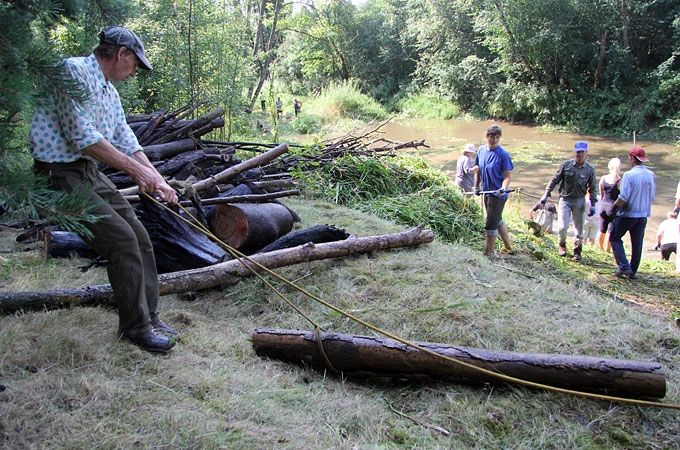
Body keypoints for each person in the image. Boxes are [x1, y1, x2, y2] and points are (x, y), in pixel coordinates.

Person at [29, 26, 178, 352]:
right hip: (58, 174)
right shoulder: (71, 73)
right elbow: (84, 139)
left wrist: (158, 179)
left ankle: (151, 316)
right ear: (121, 53)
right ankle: (135, 329)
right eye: (135, 63)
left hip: (86, 170)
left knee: (139, 235)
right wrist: (137, 172)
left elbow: (125, 138)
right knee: (121, 241)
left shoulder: (109, 92)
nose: (135, 71)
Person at [603, 147, 656, 279]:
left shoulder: (629, 175)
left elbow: (623, 198)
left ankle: (624, 267)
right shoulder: (651, 175)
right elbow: (652, 196)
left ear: (632, 159)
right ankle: (632, 271)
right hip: (643, 214)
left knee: (614, 237)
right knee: (637, 244)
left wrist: (613, 208)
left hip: (628, 214)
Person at [539, 141, 597, 262]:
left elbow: (593, 188)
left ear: (586, 153)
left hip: (580, 201)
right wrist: (546, 193)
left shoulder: (590, 169)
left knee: (579, 228)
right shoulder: (566, 165)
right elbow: (555, 180)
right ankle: (562, 245)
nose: (579, 154)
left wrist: (593, 204)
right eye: (577, 152)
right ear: (575, 152)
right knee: (562, 227)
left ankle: (577, 251)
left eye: (582, 152)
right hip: (565, 200)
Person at [474, 125, 514, 256]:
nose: (494, 140)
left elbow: (507, 177)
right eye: (492, 137)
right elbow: (479, 169)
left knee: (491, 223)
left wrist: (503, 188)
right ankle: (508, 247)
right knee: (497, 219)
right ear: (487, 137)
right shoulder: (481, 151)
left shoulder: (503, 154)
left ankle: (488, 254)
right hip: (486, 192)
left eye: (497, 137)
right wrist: (476, 186)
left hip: (498, 194)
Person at [596, 157, 621, 252]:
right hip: (613, 208)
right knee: (610, 231)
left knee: (601, 229)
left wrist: (603, 203)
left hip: (603, 206)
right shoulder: (619, 181)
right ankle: (607, 250)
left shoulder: (603, 178)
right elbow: (622, 196)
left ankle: (600, 249)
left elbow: (601, 193)